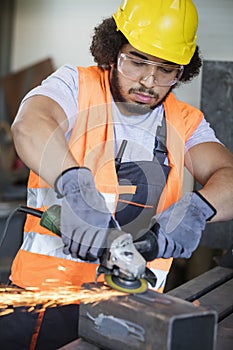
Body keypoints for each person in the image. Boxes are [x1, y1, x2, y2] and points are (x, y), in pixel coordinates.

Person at [2, 0, 233, 348]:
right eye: (136, 62)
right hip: (44, 300)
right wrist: (76, 188)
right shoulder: (74, 86)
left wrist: (197, 210)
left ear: (182, 71)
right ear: (113, 49)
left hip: (133, 307)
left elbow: (226, 174)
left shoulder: (185, 121)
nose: (148, 81)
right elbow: (29, 126)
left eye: (166, 70)